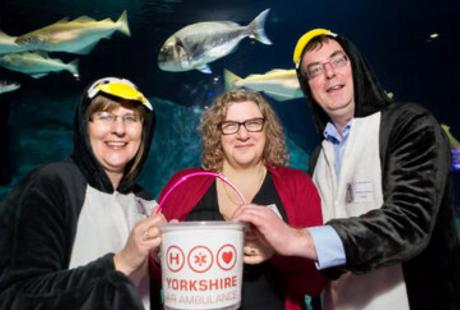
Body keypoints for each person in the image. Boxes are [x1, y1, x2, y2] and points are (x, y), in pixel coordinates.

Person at [232, 28, 460, 309]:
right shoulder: (318, 157)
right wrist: (276, 249)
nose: (329, 73)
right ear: (308, 87)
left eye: (338, 60)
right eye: (314, 69)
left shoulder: (409, 125)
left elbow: (408, 224)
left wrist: (297, 238)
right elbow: (320, 261)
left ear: (356, 65)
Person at [0, 77, 166, 309]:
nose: (119, 129)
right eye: (105, 116)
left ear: (143, 130)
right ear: (83, 125)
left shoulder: (146, 201)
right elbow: (15, 297)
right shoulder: (52, 184)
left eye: (131, 118)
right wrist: (119, 263)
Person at [152, 89, 326, 310]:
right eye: (230, 125)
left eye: (253, 123)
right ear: (217, 133)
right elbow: (153, 275)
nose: (243, 135)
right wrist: (162, 254)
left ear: (267, 129)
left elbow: (314, 283)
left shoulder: (297, 185)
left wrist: (276, 251)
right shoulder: (184, 184)